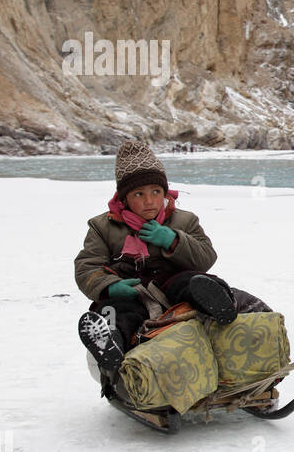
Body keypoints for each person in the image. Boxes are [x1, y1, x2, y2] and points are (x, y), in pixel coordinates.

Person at [74, 141, 257, 389]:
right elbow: (87, 265)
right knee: (119, 310)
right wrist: (109, 286)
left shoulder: (184, 220)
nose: (150, 201)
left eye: (156, 192)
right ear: (124, 198)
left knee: (194, 282)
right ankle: (110, 342)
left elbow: (206, 256)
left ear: (165, 192)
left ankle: (221, 305)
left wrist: (173, 240)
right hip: (133, 291)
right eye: (139, 194)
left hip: (172, 284)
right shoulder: (103, 227)